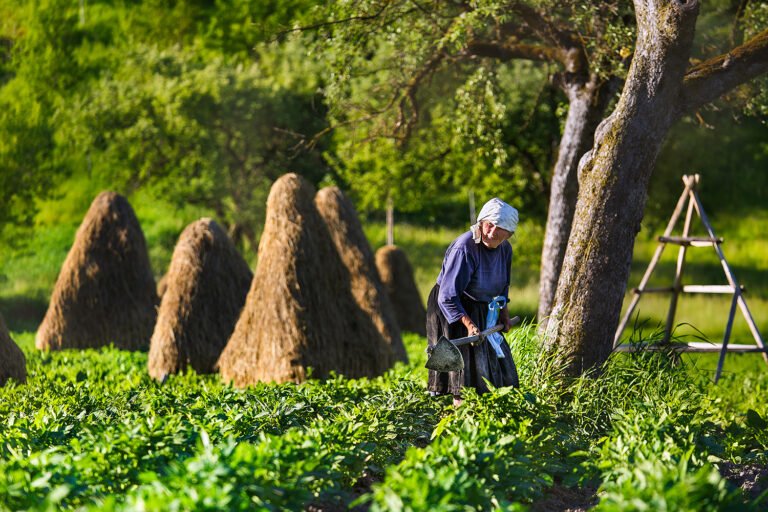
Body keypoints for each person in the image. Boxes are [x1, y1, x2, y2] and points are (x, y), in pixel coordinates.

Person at [426, 198, 520, 406]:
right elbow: (448, 295)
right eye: (489, 224)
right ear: (480, 223)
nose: (492, 232)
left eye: (500, 228)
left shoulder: (505, 250)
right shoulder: (465, 247)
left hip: (479, 305)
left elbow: (503, 286)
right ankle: (456, 414)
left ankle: (487, 410)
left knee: (491, 362)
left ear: (509, 234)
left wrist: (504, 313)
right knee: (461, 369)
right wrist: (468, 324)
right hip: (451, 306)